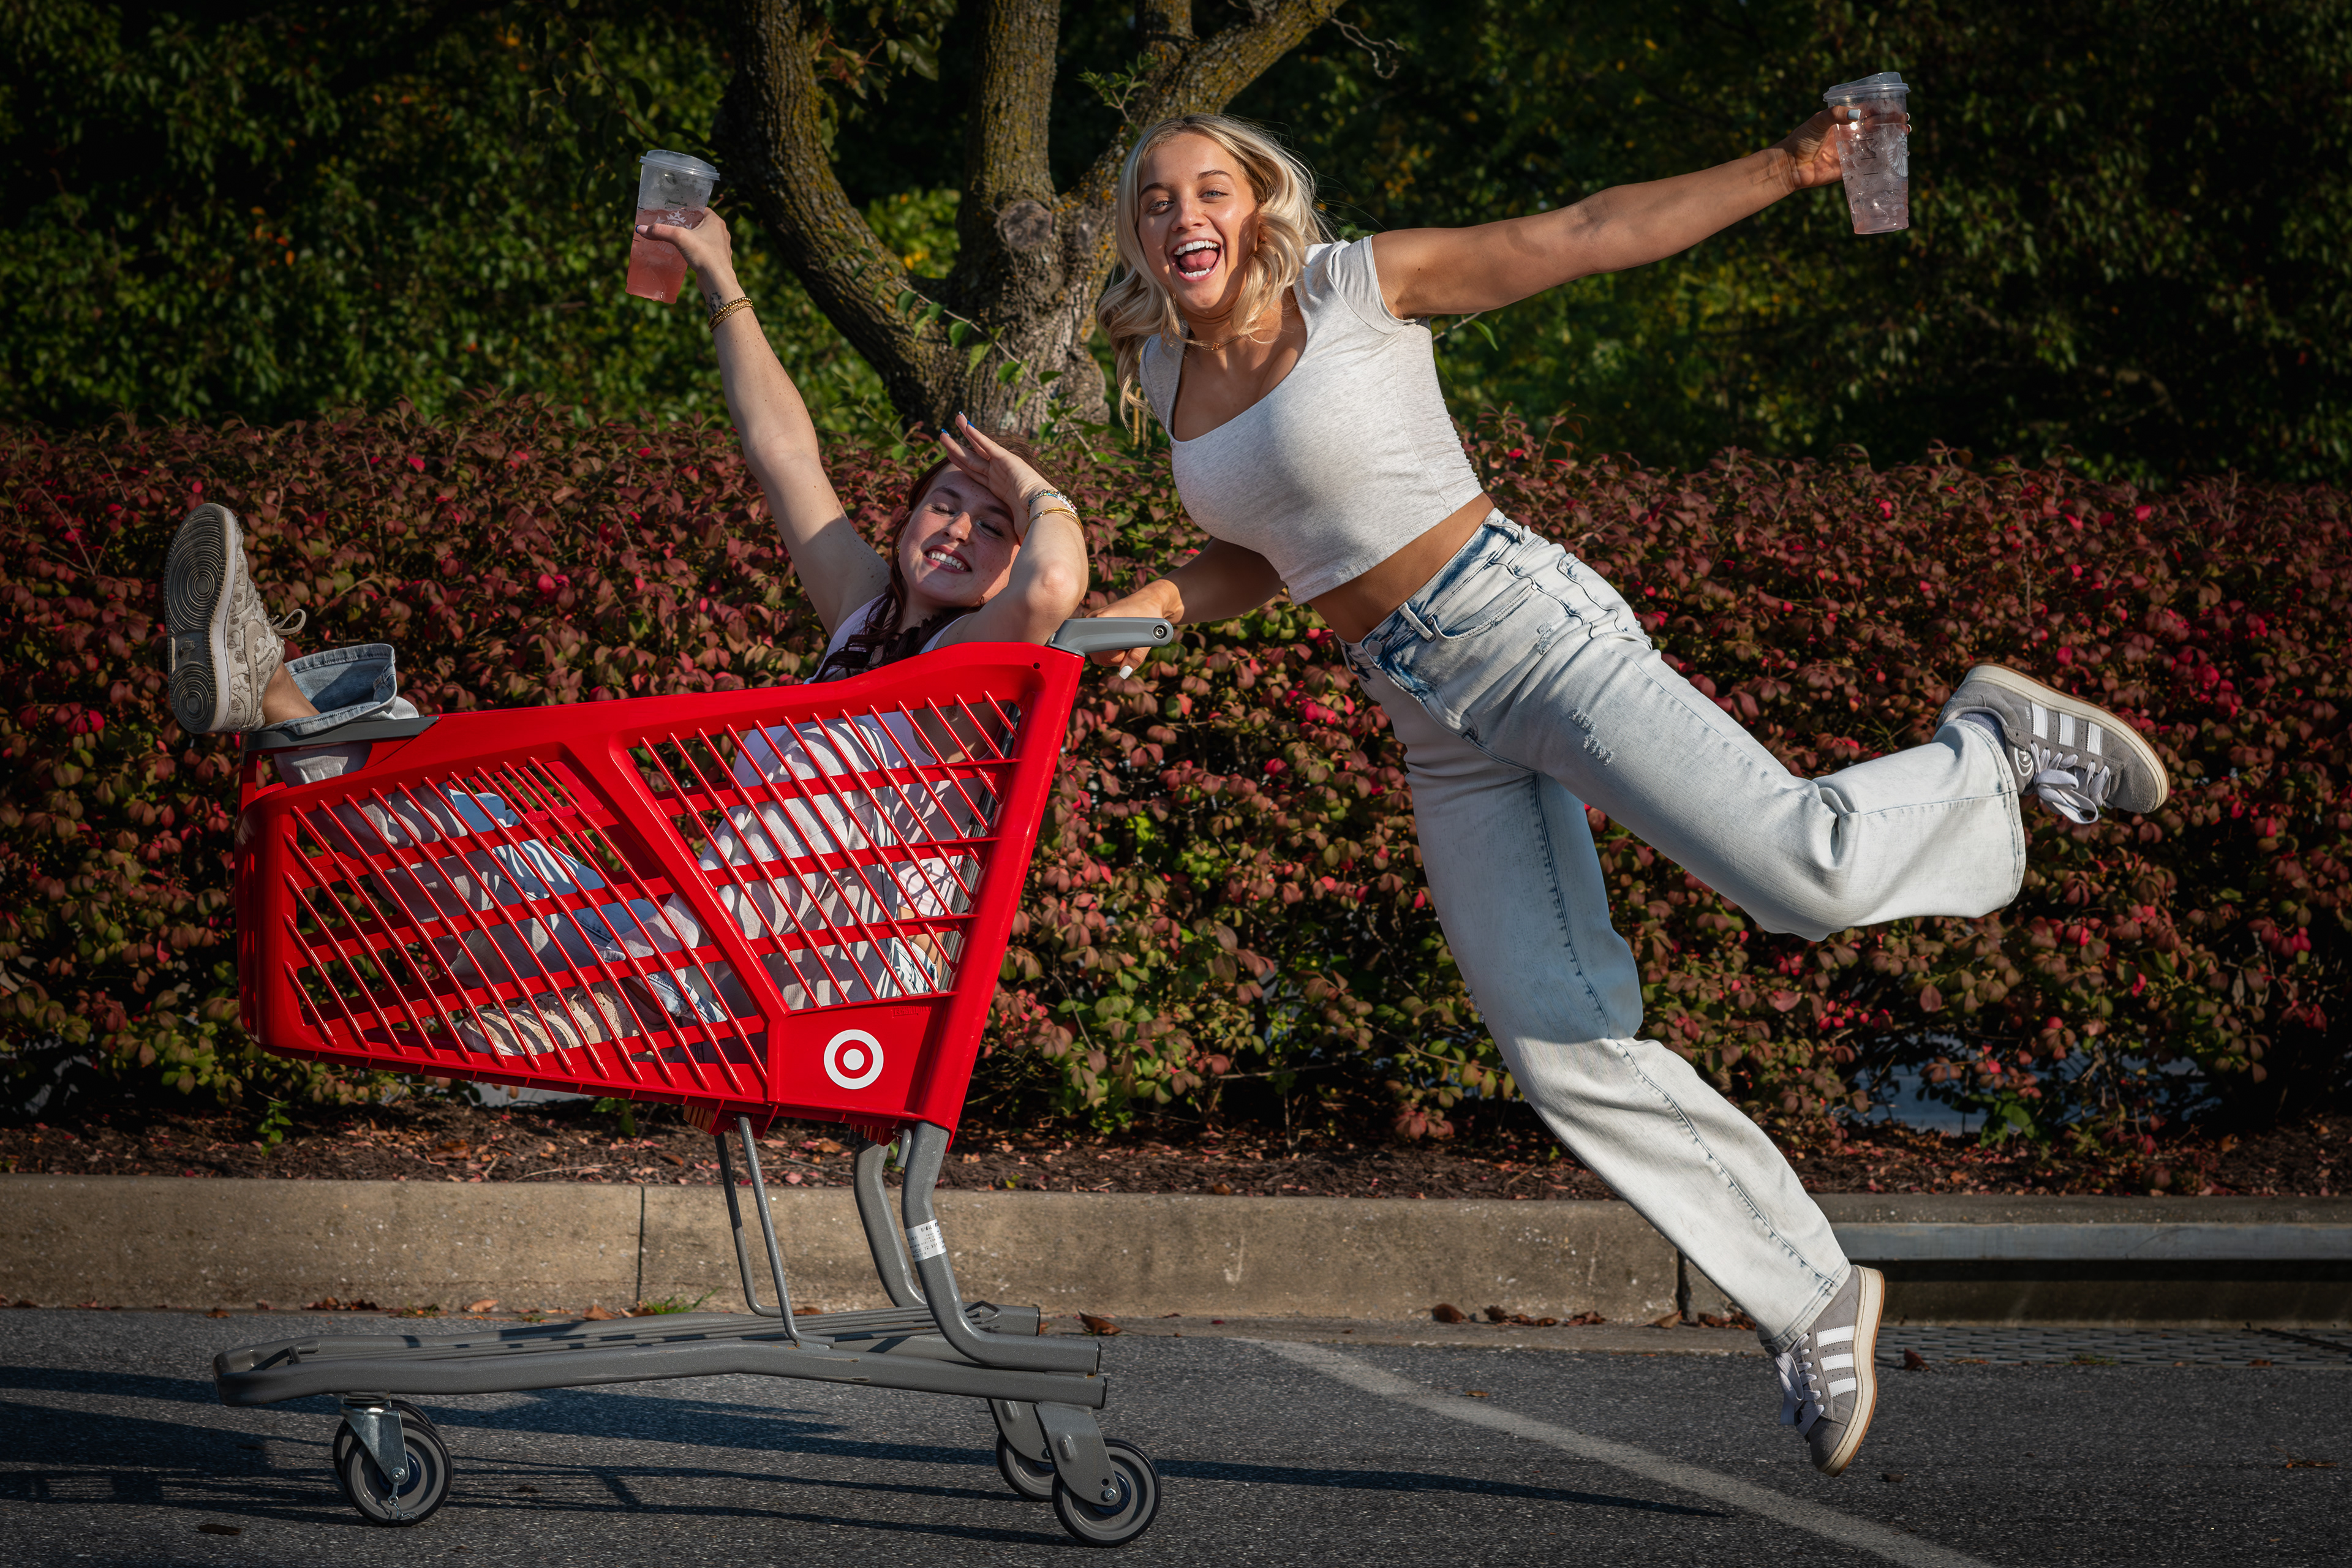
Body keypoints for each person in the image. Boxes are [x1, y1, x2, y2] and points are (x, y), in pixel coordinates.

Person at [1087, 110, 2169, 1476]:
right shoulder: (1166, 372)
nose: (1183, 215)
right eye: (1155, 199)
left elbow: (1584, 234)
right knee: (1559, 1041)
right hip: (1427, 713)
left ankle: (1992, 749)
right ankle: (1810, 1292)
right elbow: (1275, 544)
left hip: (1526, 633)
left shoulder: (1356, 286)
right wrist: (1159, 601)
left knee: (1804, 870)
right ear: (1135, 231)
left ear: (1260, 202)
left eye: (1211, 188)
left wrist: (1793, 164)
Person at [160, 208, 1090, 1049]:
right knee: (473, 824)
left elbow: (1053, 583)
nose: (958, 531)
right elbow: (783, 453)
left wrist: (1033, 486)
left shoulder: (968, 670)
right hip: (705, 947)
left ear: (1008, 562)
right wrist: (721, 276)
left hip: (829, 989)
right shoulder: (865, 615)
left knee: (825, 761)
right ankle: (274, 694)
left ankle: (632, 993)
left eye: (991, 526)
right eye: (943, 506)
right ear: (907, 520)